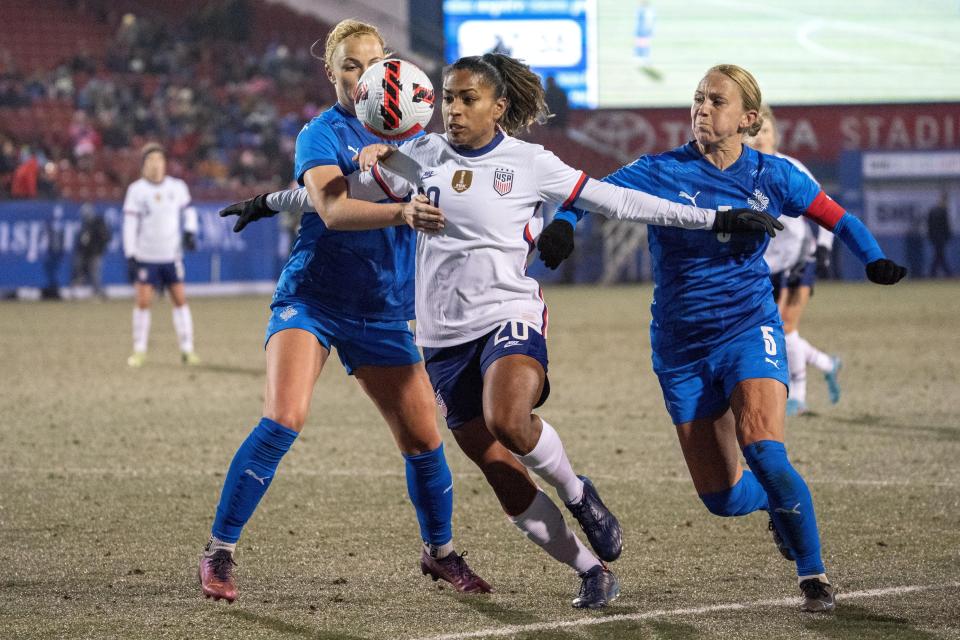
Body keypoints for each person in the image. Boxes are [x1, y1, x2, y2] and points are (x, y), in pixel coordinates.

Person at [255, 53, 781, 608]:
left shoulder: (531, 163)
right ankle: (589, 569)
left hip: (509, 315)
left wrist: (716, 218)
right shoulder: (419, 158)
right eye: (448, 98)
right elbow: (334, 191)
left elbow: (622, 201)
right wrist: (267, 201)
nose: (453, 110)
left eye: (467, 99)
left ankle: (579, 494)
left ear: (498, 106)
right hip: (440, 337)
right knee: (499, 468)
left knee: (509, 418)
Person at [540, 64, 906, 613]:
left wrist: (874, 258)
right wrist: (565, 224)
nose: (702, 109)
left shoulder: (773, 174)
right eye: (697, 99)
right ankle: (779, 506)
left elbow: (837, 216)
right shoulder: (659, 170)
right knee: (722, 497)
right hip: (680, 347)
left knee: (765, 448)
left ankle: (814, 579)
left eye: (716, 101)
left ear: (748, 119)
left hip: (748, 327)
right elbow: (587, 195)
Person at [199, 20, 490, 606]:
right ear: (330, 72)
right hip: (314, 298)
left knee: (424, 442)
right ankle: (219, 552)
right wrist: (402, 213)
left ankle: (440, 554)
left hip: (383, 310)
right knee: (284, 417)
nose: (364, 75)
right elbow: (332, 207)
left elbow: (443, 185)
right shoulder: (320, 132)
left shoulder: (413, 136)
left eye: (374, 62)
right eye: (351, 66)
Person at [746, 105, 842, 416]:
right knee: (774, 331)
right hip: (769, 266)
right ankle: (826, 363)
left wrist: (825, 247)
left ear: (775, 134)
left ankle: (797, 397)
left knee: (785, 327)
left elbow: (825, 206)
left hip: (802, 257)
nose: (760, 137)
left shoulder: (790, 167)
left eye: (766, 130)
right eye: (753, 132)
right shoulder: (741, 173)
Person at [122, 143, 200, 367]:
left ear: (165, 164)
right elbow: (129, 224)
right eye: (151, 160)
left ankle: (187, 349)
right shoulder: (136, 190)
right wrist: (130, 254)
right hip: (146, 256)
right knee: (143, 302)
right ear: (144, 164)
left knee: (180, 300)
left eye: (160, 160)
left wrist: (190, 232)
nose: (156, 164)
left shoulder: (177, 187)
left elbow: (190, 211)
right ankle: (139, 350)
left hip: (171, 256)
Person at [71, 203, 112, 299]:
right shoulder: (86, 225)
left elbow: (105, 237)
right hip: (88, 253)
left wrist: (97, 246)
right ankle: (90, 291)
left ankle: (98, 292)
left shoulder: (98, 222)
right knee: (85, 271)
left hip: (96, 252)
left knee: (95, 273)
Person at [927, 191, 952, 277]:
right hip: (940, 237)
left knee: (939, 255)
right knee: (939, 255)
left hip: (935, 237)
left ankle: (934, 273)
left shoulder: (933, 211)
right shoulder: (942, 211)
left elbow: (929, 226)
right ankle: (946, 273)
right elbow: (946, 226)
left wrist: (930, 236)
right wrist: (948, 236)